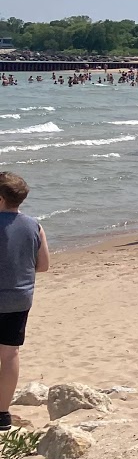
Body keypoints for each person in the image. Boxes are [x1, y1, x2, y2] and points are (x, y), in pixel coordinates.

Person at [0, 172, 48, 432]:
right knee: (9, 354)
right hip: (19, 297)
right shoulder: (34, 226)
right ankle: (2, 414)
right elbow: (43, 265)